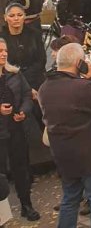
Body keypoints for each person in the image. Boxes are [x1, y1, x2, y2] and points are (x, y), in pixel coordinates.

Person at [39, 43, 91, 228]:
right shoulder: (81, 87)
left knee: (70, 199)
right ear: (79, 63)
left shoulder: (45, 88)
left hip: (64, 154)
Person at [0, 37, 38, 221]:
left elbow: (26, 94)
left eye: (5, 50)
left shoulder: (15, 74)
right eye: (0, 51)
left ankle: (26, 205)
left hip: (16, 129)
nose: (4, 53)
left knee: (21, 168)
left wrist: (24, 111)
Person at [2, 3, 47, 91]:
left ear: (24, 17)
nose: (16, 18)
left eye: (20, 15)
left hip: (35, 80)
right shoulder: (2, 37)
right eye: (11, 15)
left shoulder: (35, 34)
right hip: (10, 81)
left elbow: (41, 60)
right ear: (5, 17)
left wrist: (25, 80)